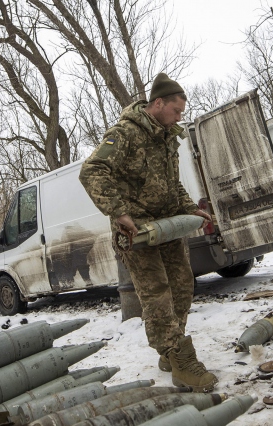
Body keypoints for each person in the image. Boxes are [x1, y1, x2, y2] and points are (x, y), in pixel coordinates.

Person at [79, 73, 218, 392]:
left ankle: (171, 349)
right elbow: (92, 171)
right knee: (157, 294)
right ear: (158, 103)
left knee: (182, 285)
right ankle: (181, 361)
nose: (180, 116)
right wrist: (119, 210)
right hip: (137, 233)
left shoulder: (167, 136)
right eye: (177, 110)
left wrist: (189, 209)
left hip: (168, 228)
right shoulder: (126, 133)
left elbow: (171, 184)